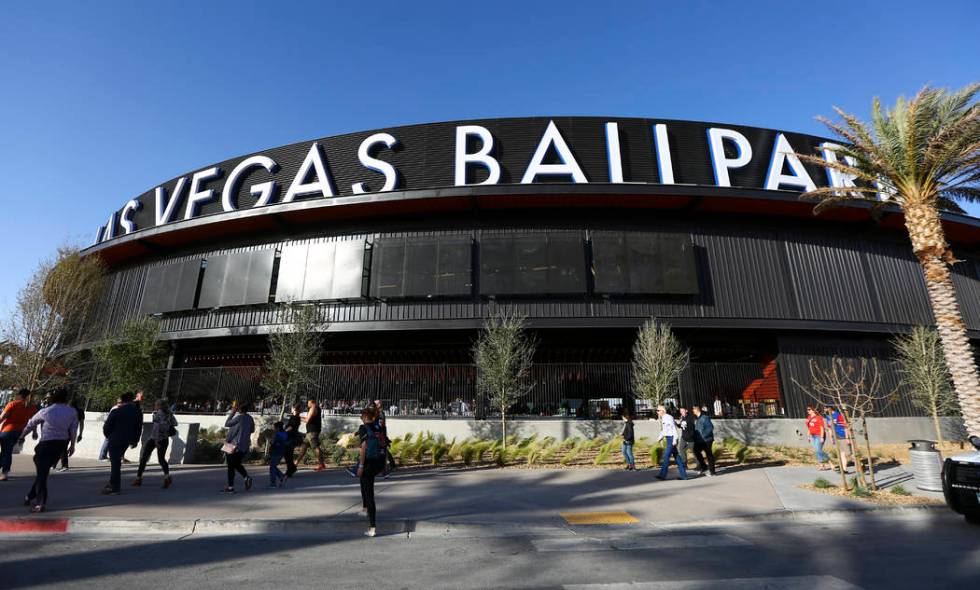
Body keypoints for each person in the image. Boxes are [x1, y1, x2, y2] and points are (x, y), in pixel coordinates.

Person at [19, 388, 78, 512]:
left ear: (53, 398)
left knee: (42, 473)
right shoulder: (72, 412)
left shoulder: (46, 411)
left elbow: (31, 424)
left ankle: (40, 503)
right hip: (60, 445)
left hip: (46, 444)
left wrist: (21, 436)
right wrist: (72, 445)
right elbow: (73, 430)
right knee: (43, 472)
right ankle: (30, 496)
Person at [102, 391, 143, 495]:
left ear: (123, 401)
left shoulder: (117, 411)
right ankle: (112, 483)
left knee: (115, 463)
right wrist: (135, 440)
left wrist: (109, 436)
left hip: (114, 439)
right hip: (127, 440)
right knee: (116, 462)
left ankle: (115, 487)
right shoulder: (137, 412)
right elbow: (138, 428)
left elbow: (107, 427)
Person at [133, 399, 178, 488]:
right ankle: (167, 477)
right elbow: (175, 424)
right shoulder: (170, 414)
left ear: (159, 406)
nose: (155, 406)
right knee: (161, 459)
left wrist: (156, 441)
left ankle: (138, 478)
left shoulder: (157, 415)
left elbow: (156, 428)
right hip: (165, 439)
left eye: (156, 405)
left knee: (144, 458)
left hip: (154, 439)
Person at [356, 405, 385, 537]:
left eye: (362, 416)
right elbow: (384, 445)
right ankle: (365, 508)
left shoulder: (363, 428)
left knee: (369, 493)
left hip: (368, 463)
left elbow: (363, 447)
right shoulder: (378, 427)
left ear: (364, 417)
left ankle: (372, 527)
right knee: (364, 483)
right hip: (378, 462)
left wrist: (361, 466)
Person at [0, 389, 37, 481]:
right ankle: (5, 471)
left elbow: (2, 417)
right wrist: (34, 432)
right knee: (5, 452)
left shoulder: (13, 404)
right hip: (20, 433)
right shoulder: (32, 407)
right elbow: (34, 421)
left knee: (6, 452)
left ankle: (5, 472)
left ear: (19, 395)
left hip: (7, 431)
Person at [222, 400, 254, 493]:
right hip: (244, 445)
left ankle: (230, 487)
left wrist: (232, 412)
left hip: (233, 445)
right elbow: (252, 430)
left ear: (238, 410)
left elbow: (227, 423)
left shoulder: (238, 418)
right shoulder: (250, 418)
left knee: (231, 466)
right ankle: (246, 477)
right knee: (236, 464)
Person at [655, 405, 687, 481]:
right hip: (668, 438)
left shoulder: (668, 417)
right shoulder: (663, 418)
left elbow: (673, 428)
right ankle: (684, 476)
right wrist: (660, 437)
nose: (657, 412)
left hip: (671, 438)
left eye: (658, 410)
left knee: (666, 456)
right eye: (657, 410)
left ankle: (662, 475)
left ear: (662, 411)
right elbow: (665, 430)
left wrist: (674, 440)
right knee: (677, 457)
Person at [295, 399, 326, 472]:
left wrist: (297, 417)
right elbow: (308, 419)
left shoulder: (313, 408)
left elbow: (307, 420)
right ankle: (296, 463)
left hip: (312, 432)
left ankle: (321, 464)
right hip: (310, 432)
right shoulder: (316, 408)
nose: (307, 404)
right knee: (304, 447)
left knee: (315, 447)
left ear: (311, 402)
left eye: (308, 402)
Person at [57, 399, 86, 472]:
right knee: (62, 447)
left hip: (65, 431)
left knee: (62, 447)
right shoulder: (80, 411)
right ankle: (55, 463)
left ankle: (64, 465)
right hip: (73, 432)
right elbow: (82, 423)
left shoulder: (67, 411)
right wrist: (80, 434)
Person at [373, 399, 397, 477]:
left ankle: (383, 470)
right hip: (380, 434)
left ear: (379, 405)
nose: (374, 406)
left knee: (382, 451)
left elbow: (381, 425)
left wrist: (381, 434)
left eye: (375, 404)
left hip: (380, 434)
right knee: (384, 450)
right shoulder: (377, 412)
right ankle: (391, 466)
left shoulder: (380, 413)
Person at [692, 405, 716, 476]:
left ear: (697, 409)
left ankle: (712, 472)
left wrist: (703, 436)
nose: (692, 411)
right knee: (696, 451)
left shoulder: (705, 418)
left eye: (693, 409)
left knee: (709, 455)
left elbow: (710, 427)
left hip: (707, 440)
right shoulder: (698, 419)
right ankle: (704, 467)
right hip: (700, 440)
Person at [827, 406, 851, 473]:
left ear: (830, 408)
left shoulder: (838, 415)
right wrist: (831, 437)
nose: (824, 410)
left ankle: (860, 465)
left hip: (842, 435)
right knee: (841, 453)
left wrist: (847, 438)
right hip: (836, 437)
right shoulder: (828, 417)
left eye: (825, 408)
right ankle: (844, 469)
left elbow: (845, 427)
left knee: (849, 454)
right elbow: (829, 428)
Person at [283, 403, 302, 480]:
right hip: (291, 437)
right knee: (288, 454)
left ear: (294, 409)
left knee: (288, 454)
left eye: (292, 408)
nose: (291, 409)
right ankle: (291, 469)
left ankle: (290, 469)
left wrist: (284, 432)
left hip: (291, 437)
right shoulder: (296, 417)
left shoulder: (294, 417)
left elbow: (291, 427)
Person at [268, 421, 288, 488]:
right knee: (273, 466)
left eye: (275, 428)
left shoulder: (277, 434)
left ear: (278, 428)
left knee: (272, 467)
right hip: (282, 451)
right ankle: (282, 476)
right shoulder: (285, 433)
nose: (274, 429)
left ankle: (273, 483)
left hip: (276, 451)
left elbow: (273, 442)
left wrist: (270, 442)